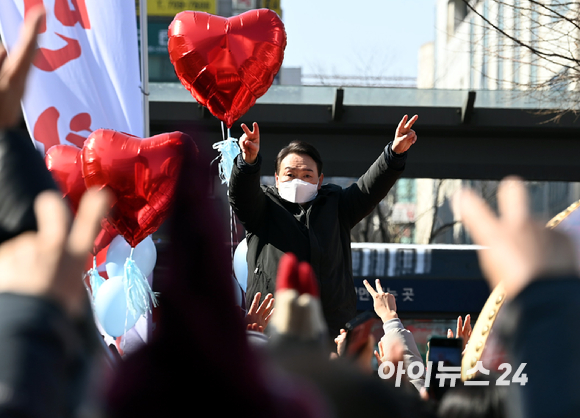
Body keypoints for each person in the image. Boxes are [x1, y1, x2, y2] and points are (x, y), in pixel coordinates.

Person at [229, 115, 418, 337]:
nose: (298, 180)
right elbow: (241, 195)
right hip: (273, 330)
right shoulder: (262, 208)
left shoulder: (337, 205)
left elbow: (369, 188)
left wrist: (393, 155)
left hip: (330, 332)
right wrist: (247, 163)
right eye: (290, 174)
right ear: (277, 179)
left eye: (307, 175)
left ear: (319, 180)